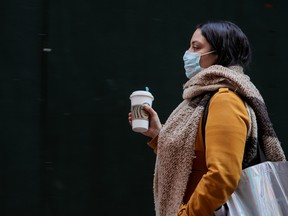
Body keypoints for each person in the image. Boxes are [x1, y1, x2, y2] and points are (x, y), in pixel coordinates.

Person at [128, 20, 286, 216]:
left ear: (219, 53)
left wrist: (187, 214)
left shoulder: (225, 101)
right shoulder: (201, 97)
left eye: (196, 47)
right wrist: (158, 134)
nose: (187, 54)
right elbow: (192, 160)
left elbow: (223, 176)